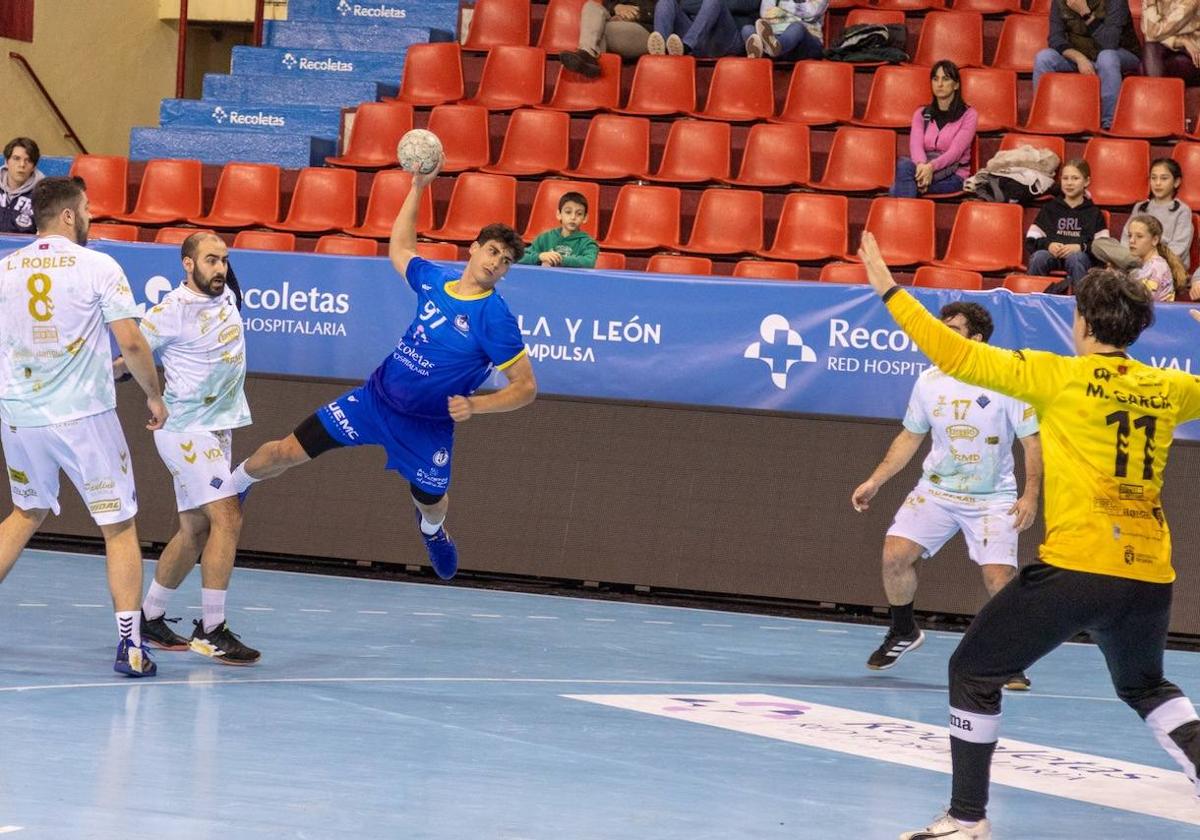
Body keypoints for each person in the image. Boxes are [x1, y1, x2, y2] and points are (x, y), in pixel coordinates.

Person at [858, 230, 1200, 840]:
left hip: (1078, 566)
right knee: (1146, 685)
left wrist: (887, 288)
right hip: (1150, 574)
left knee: (972, 671)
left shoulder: (1056, 376)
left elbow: (954, 353)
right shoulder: (1173, 389)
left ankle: (967, 820)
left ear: (1085, 323)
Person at [227, 158, 537, 579]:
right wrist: (418, 187)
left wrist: (477, 406)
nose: (496, 262)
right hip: (373, 401)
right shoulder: (433, 280)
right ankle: (234, 486)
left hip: (426, 426)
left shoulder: (495, 317)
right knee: (285, 450)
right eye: (493, 251)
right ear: (475, 248)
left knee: (433, 501)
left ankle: (432, 531)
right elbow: (401, 250)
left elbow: (525, 388)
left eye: (505, 261)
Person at [0, 176, 167, 676]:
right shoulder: (99, 265)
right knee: (117, 527)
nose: (91, 217)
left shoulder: (5, 269)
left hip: (20, 415)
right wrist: (155, 396)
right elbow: (133, 344)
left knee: (25, 514)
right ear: (69, 215)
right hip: (83, 417)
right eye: (88, 209)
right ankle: (132, 646)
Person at [851, 302, 1041, 691]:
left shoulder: (1006, 378)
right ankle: (903, 631)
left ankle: (1008, 660)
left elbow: (1031, 442)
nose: (942, 336)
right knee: (894, 556)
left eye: (952, 330)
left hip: (992, 497)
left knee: (998, 577)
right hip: (936, 490)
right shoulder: (929, 381)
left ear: (977, 338)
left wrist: (1031, 495)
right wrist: (875, 480)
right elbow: (910, 437)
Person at [119, 232, 259, 665]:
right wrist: (119, 383)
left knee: (194, 530)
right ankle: (213, 629)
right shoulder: (169, 312)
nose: (220, 269)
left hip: (218, 428)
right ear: (186, 263)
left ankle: (151, 615)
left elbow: (225, 279)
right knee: (228, 515)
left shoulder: (228, 295)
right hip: (185, 430)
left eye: (224, 261)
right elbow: (133, 356)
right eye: (211, 260)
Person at [1033, 0, 1141, 130]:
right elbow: (1055, 39)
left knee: (1106, 58)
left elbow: (1110, 42)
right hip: (1082, 55)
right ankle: (1041, 118)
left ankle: (1109, 124)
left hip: (1121, 53)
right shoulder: (1060, 2)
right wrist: (1079, 58)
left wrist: (1085, 13)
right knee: (1044, 58)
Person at [890, 60, 978, 199]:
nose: (940, 84)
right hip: (924, 170)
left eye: (946, 79)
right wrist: (922, 166)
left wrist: (931, 167)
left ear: (956, 85)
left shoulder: (969, 115)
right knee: (904, 165)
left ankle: (904, 217)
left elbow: (955, 152)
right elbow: (915, 145)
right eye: (935, 79)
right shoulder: (921, 113)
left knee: (897, 189)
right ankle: (910, 214)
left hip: (953, 176)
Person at [1093, 158, 1194, 273]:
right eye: (1153, 178)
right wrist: (1128, 255)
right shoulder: (1140, 207)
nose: (1158, 183)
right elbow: (1126, 237)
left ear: (1176, 182)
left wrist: (1150, 257)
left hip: (1165, 265)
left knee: (1118, 272)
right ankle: (1135, 266)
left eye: (1164, 178)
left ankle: (1134, 267)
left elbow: (1179, 249)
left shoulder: (1183, 211)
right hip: (1136, 257)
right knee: (1098, 244)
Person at [1026, 159, 1109, 293]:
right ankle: (1032, 303)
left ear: (1086, 181)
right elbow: (1031, 239)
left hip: (1080, 260)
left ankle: (1080, 305)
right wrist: (1049, 245)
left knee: (1076, 258)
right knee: (1039, 257)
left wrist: (1080, 247)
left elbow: (1103, 247)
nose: (1069, 183)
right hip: (1052, 256)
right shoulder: (1049, 208)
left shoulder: (1094, 213)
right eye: (1065, 178)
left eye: (1075, 178)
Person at [560, 1, 654, 78]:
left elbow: (664, 12)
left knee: (598, 29)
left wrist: (636, 15)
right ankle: (587, 52)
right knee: (591, 6)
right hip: (615, 22)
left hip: (646, 31)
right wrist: (617, 7)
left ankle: (589, 56)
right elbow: (607, 3)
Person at [518, 191, 599, 268]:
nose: (573, 217)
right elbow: (519, 256)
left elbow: (589, 262)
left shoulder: (588, 243)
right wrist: (540, 256)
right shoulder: (545, 238)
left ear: (585, 218)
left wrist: (558, 259)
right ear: (559, 214)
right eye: (568, 212)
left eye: (579, 214)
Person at [648, 0, 752, 57]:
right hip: (697, 33)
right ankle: (661, 50)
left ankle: (687, 47)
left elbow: (747, 4)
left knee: (714, 2)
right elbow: (686, 4)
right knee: (665, 2)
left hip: (726, 38)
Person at [1123, 214, 1190, 301]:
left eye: (1139, 236)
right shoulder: (1142, 265)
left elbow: (1140, 303)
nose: (1132, 240)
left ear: (1155, 240)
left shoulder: (1157, 267)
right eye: (1130, 235)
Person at [743, 0, 828, 61]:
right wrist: (796, 14)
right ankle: (772, 49)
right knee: (747, 29)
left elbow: (811, 12)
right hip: (775, 36)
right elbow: (766, 13)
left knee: (797, 28)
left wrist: (780, 5)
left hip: (806, 41)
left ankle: (773, 50)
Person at [1141, 0, 1200, 86]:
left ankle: (1158, 96)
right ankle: (1159, 97)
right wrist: (1182, 41)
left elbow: (1153, 33)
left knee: (1144, 67)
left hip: (1193, 54)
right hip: (1167, 48)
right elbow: (1149, 33)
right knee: (1150, 48)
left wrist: (1150, 5)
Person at [0, 137, 45, 235]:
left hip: (23, 248)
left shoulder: (44, 194)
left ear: (33, 166)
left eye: (28, 160)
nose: (22, 165)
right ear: (7, 162)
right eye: (16, 158)